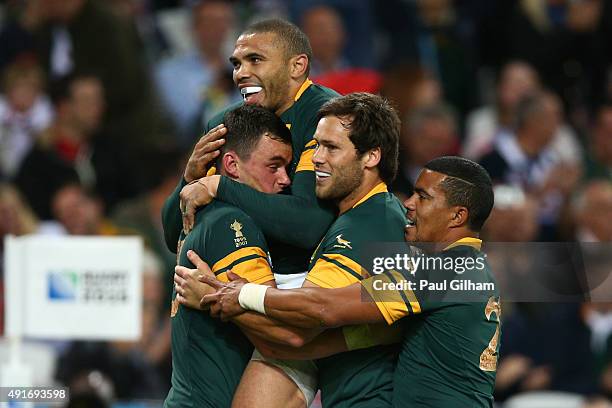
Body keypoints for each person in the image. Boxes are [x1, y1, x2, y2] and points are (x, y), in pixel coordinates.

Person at [183, 156, 500, 407]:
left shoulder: (446, 270)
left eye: (423, 196)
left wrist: (240, 294)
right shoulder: (466, 271)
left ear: (458, 216)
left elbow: (325, 307)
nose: (409, 203)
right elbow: (313, 340)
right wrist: (228, 305)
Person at [175, 92, 405, 407]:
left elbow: (296, 335)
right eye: (316, 145)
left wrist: (217, 298)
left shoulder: (367, 225)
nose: (317, 158)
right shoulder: (365, 217)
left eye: (331, 147)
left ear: (371, 157)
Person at [164, 104, 294, 407]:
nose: (286, 180)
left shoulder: (202, 216)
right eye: (273, 166)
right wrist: (219, 301)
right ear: (232, 166)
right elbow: (278, 335)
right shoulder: (234, 224)